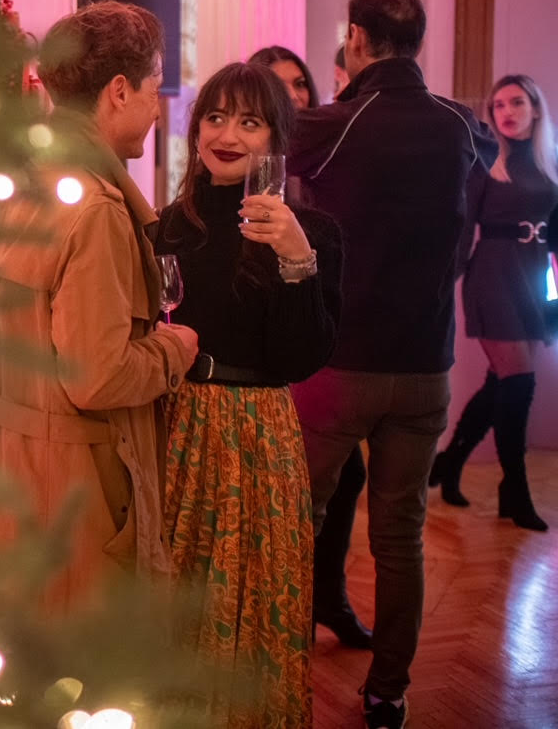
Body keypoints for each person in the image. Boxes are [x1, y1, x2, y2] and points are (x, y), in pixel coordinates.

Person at [287, 0, 495, 729]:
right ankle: (388, 693)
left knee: (296, 522)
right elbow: (483, 166)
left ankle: (276, 670)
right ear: (420, 43)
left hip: (340, 363)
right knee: (400, 536)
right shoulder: (461, 125)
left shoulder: (334, 123)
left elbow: (274, 162)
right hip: (426, 368)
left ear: (355, 38)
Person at [0, 0, 199, 617]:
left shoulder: (7, 189)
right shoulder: (94, 209)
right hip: (72, 492)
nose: (156, 108)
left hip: (1, 471)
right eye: (152, 89)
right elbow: (98, 376)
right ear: (119, 91)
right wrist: (175, 348)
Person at [156, 62, 342, 727]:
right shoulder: (166, 228)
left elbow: (301, 359)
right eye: (215, 117)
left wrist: (296, 260)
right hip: (176, 423)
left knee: (256, 589)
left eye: (249, 121)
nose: (227, 134)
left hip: (261, 431)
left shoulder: (314, 232)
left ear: (277, 140)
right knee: (176, 587)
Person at [248, 45, 373, 649]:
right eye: (279, 85)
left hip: (326, 340)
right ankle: (288, 602)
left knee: (345, 475)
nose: (293, 95)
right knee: (304, 484)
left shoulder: (326, 162)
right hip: (269, 355)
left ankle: (327, 595)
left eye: (300, 83)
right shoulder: (247, 172)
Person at [429, 74, 557, 531]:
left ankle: (448, 464)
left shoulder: (549, 161)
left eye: (516, 102)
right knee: (518, 382)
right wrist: (446, 281)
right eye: (498, 105)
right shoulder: (486, 160)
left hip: (534, 277)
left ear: (536, 109)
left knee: (501, 382)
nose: (506, 112)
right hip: (494, 276)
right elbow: (464, 225)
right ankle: (515, 490)